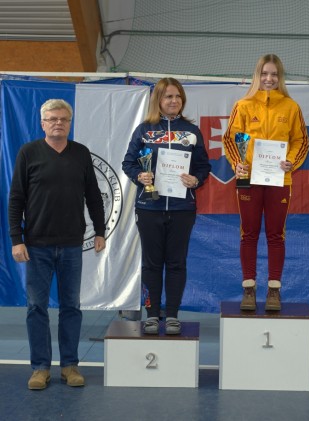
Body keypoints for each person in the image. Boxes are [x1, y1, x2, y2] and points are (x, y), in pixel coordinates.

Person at [8, 99, 106, 390]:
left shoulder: (81, 153)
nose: (58, 123)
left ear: (70, 123)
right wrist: (16, 239)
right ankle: (40, 368)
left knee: (71, 307)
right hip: (36, 245)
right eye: (52, 119)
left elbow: (93, 196)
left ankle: (69, 365)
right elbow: (16, 199)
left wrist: (100, 231)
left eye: (63, 119)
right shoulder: (28, 153)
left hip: (72, 244)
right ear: (42, 123)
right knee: (36, 307)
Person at [122, 77, 211, 335]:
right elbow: (129, 163)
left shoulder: (191, 131)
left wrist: (196, 180)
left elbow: (203, 166)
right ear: (158, 100)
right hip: (149, 207)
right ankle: (152, 315)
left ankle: (172, 315)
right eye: (168, 96)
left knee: (176, 263)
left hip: (182, 209)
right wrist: (140, 175)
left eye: (177, 96)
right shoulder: (144, 130)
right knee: (151, 264)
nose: (174, 101)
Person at [223, 54, 309, 312]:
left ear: (280, 77)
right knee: (248, 233)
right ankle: (248, 288)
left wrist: (291, 161)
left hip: (279, 179)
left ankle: (274, 290)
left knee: (275, 234)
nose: (269, 79)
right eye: (264, 74)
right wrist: (237, 163)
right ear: (257, 75)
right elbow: (230, 139)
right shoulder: (243, 105)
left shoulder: (291, 107)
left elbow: (301, 141)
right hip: (249, 179)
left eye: (274, 74)